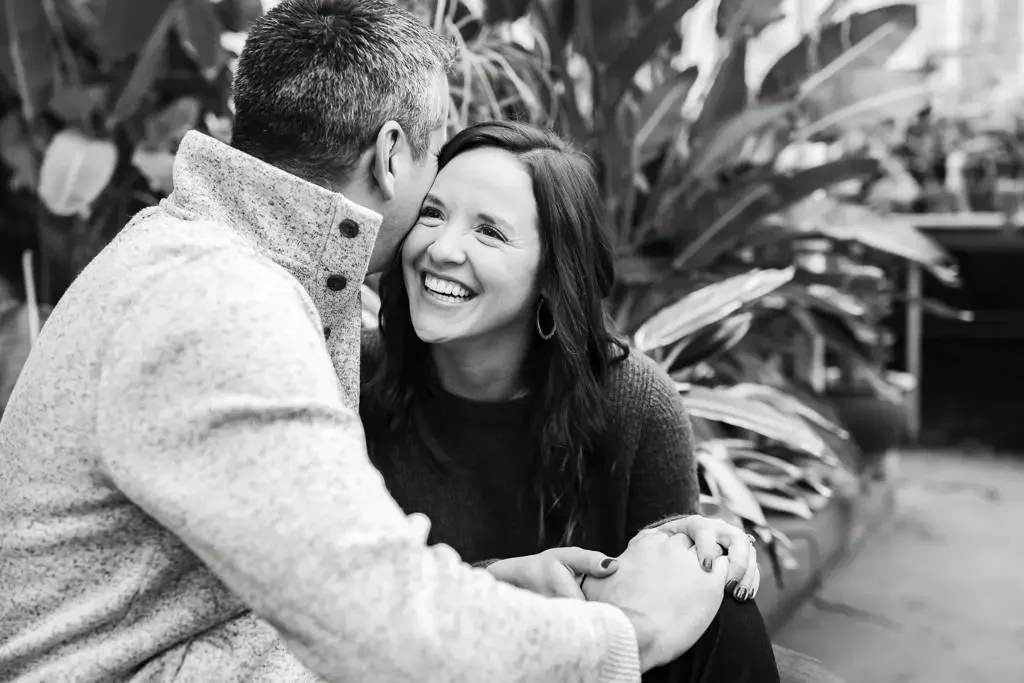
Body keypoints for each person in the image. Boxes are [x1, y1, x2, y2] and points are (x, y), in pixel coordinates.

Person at [0, 1, 753, 681]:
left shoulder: (205, 264)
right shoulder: (223, 305)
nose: (439, 230)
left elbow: (332, 586)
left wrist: (494, 585)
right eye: (434, 170)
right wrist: (630, 632)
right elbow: (380, 627)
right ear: (393, 154)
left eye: (490, 229)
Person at [360, 121, 842, 683]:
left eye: (489, 232)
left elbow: (671, 607)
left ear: (551, 272)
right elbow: (337, 600)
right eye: (433, 213)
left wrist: (697, 549)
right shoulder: (347, 374)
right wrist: (497, 581)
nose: (441, 249)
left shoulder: (633, 400)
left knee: (717, 607)